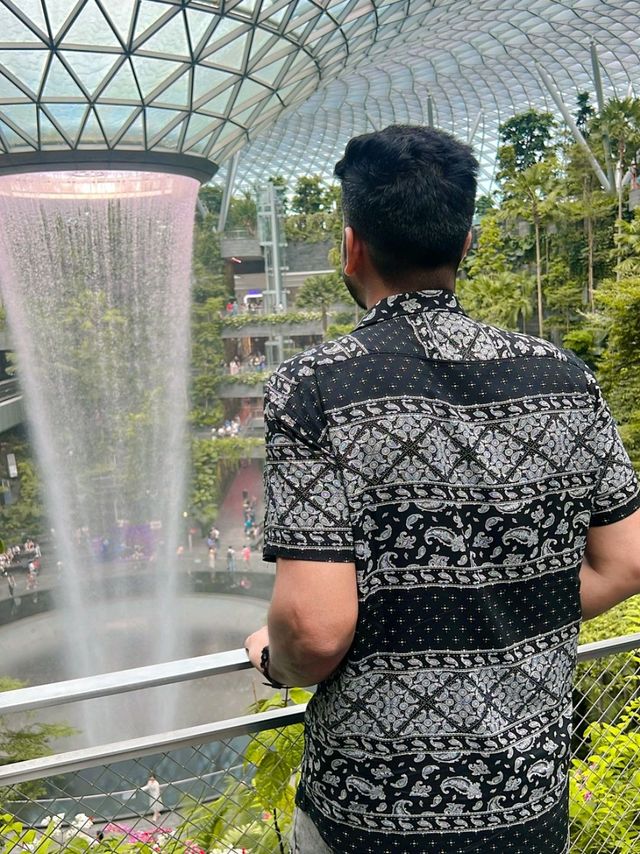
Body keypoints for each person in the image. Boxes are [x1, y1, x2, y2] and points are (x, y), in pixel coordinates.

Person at [245, 124, 640, 854]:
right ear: (466, 244)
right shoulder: (565, 379)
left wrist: (271, 658)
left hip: (370, 817)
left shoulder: (315, 388)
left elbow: (315, 630)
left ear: (351, 244)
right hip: (527, 802)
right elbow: (626, 562)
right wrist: (506, 602)